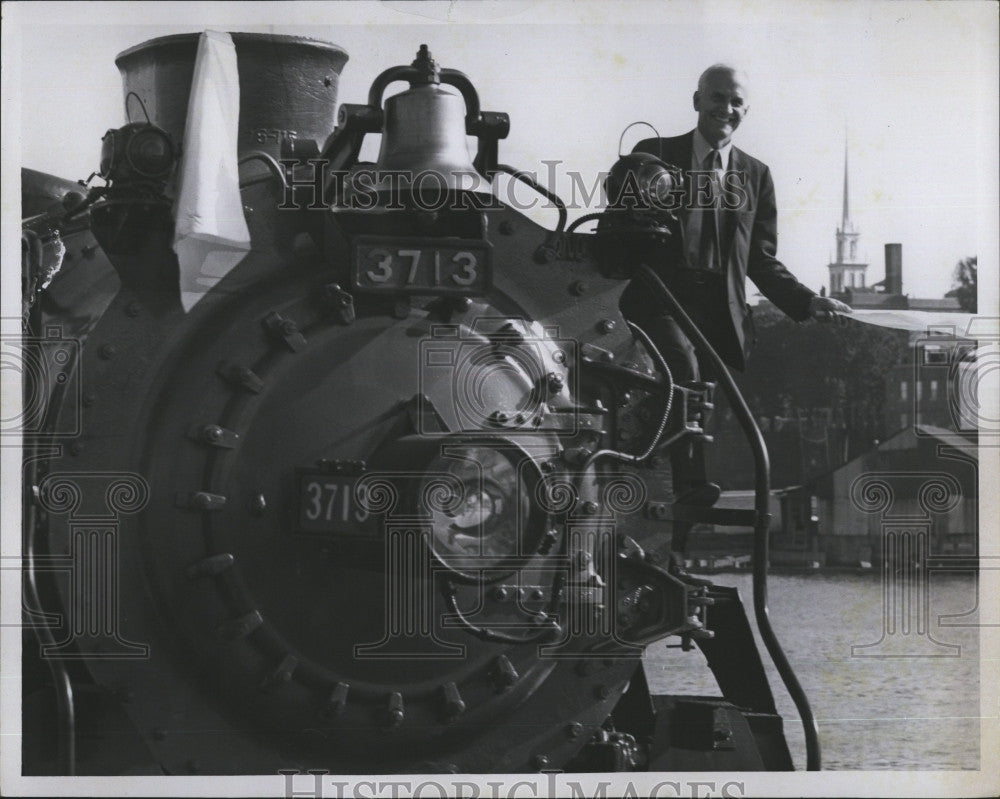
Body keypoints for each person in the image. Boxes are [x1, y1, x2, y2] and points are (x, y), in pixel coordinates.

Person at [619, 64, 851, 550]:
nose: (726, 109)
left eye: (736, 102)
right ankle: (684, 485)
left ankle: (673, 548)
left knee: (698, 400)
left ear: (746, 110)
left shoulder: (756, 175)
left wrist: (808, 300)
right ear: (697, 99)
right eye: (717, 98)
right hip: (659, 295)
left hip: (716, 309)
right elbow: (619, 223)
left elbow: (760, 260)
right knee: (679, 368)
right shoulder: (655, 155)